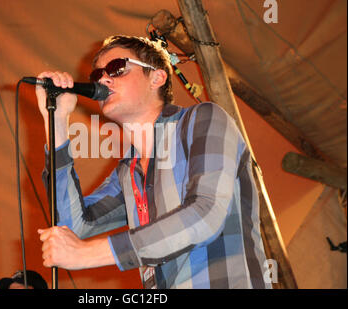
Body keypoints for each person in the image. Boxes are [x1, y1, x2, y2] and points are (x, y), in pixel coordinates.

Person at [36, 35, 272, 289]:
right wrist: (57, 123)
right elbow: (73, 228)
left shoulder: (202, 119)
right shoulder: (127, 171)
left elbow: (206, 215)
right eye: (98, 75)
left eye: (117, 68)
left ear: (157, 77)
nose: (104, 79)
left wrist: (87, 253)